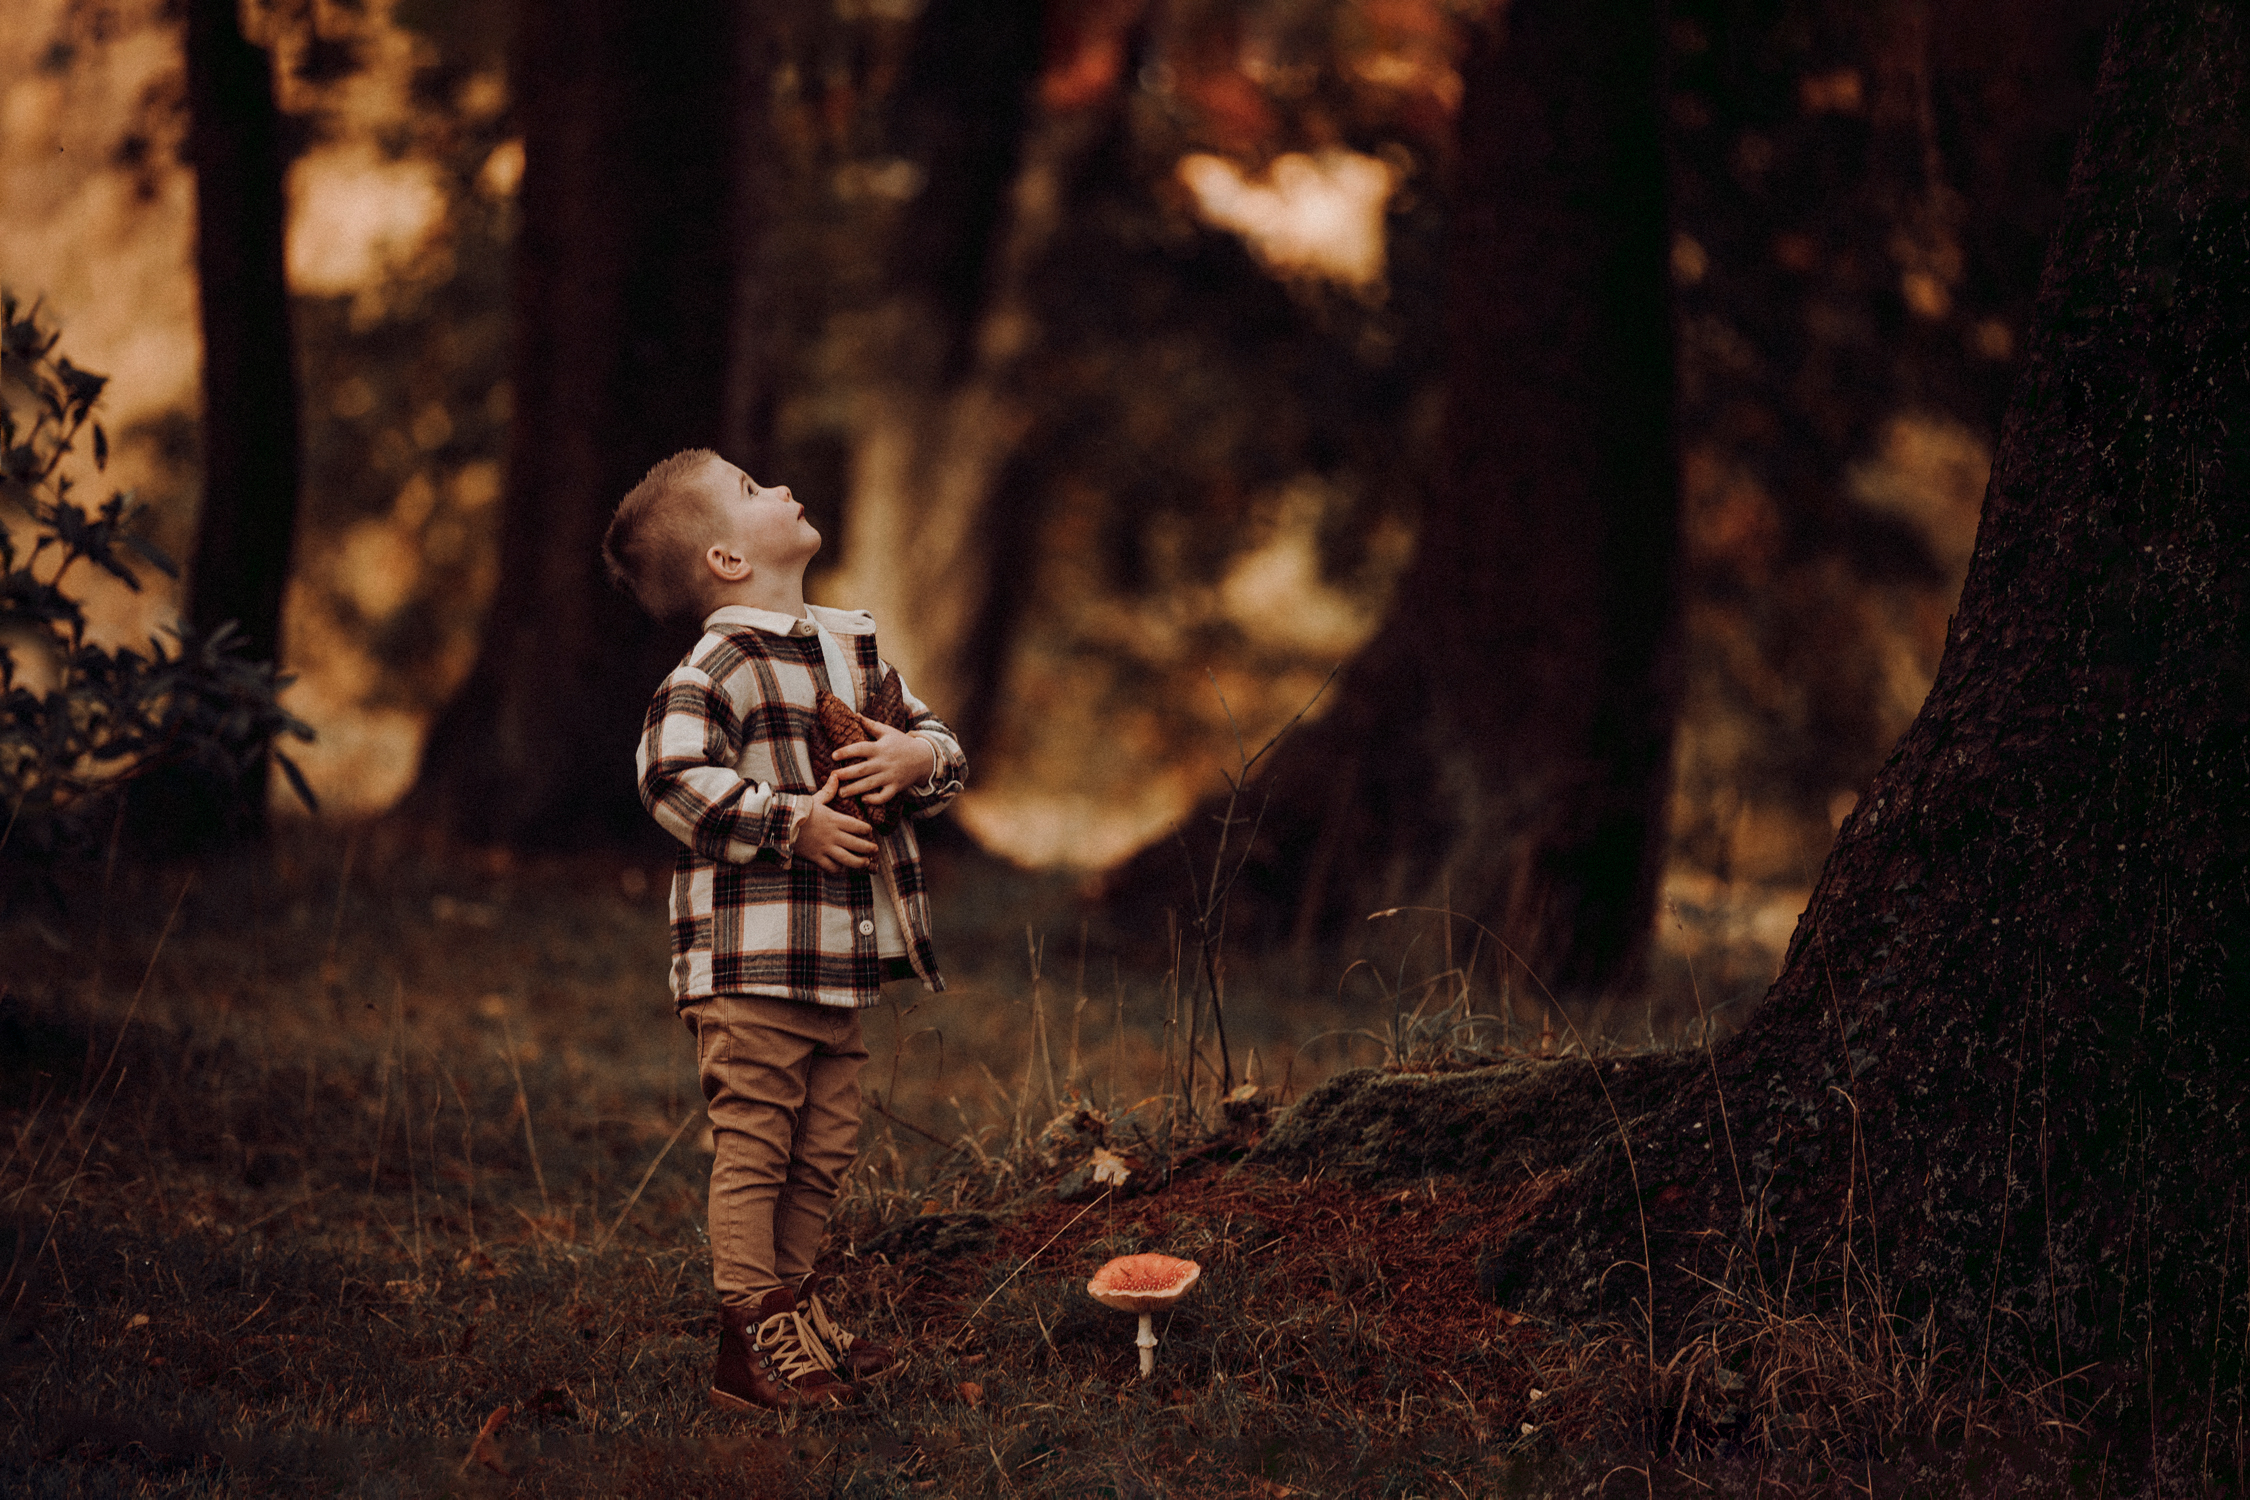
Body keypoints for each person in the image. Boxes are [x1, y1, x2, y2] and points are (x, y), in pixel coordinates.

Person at [601, 448, 966, 1411]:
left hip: (837, 968)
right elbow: (669, 777)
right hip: (753, 964)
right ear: (726, 558)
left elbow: (943, 745)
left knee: (826, 1145)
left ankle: (795, 1319)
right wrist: (788, 820)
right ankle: (747, 1336)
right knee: (758, 1144)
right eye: (754, 490)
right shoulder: (718, 663)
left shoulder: (854, 647)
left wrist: (913, 756)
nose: (783, 488)